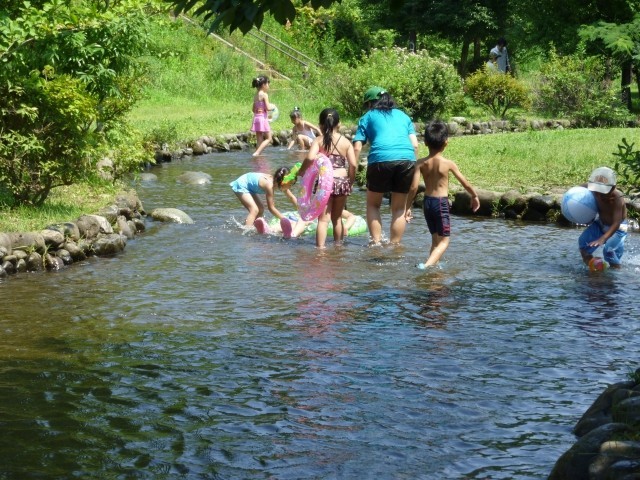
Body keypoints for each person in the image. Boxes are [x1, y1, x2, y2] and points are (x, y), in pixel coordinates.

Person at [407, 120, 480, 269]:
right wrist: (474, 195)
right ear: (446, 142)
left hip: (427, 203)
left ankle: (434, 271)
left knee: (435, 239)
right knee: (445, 241)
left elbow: (413, 187)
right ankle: (426, 266)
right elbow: (464, 182)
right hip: (440, 203)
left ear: (425, 142)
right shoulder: (448, 163)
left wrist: (407, 206)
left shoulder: (420, 163)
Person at [353, 86, 419, 246]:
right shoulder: (403, 116)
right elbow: (415, 145)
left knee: (373, 204)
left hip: (380, 159)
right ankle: (395, 246)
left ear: (370, 103)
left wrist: (352, 172)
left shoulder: (368, 116)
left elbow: (357, 147)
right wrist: (412, 166)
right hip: (407, 160)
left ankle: (376, 244)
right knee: (398, 209)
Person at [295, 108, 357, 248]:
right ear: (339, 124)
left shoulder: (319, 140)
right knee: (337, 218)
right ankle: (338, 248)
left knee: (323, 220)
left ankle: (320, 250)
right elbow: (353, 164)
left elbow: (310, 157)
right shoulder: (346, 142)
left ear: (321, 125)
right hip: (342, 181)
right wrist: (351, 181)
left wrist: (301, 171)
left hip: (325, 184)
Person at [579, 167, 628, 269]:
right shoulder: (592, 188)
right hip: (600, 224)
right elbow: (576, 190)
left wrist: (603, 238)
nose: (599, 196)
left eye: (603, 193)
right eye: (596, 192)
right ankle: (595, 269)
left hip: (618, 229)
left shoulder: (617, 199)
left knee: (608, 252)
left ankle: (616, 274)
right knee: (583, 243)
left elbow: (616, 223)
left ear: (613, 188)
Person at [229, 167, 297, 228]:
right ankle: (247, 230)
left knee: (261, 209)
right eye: (290, 184)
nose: (291, 186)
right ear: (283, 182)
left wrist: (301, 211)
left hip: (250, 186)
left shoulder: (280, 183)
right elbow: (271, 208)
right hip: (242, 184)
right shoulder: (269, 185)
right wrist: (284, 219)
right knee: (254, 210)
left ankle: (257, 226)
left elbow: (291, 197)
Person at [250, 76, 275, 157]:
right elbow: (268, 108)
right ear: (263, 85)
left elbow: (253, 109)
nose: (268, 86)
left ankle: (257, 155)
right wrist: (273, 107)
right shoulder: (264, 95)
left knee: (259, 139)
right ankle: (257, 153)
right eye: (268, 83)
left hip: (256, 118)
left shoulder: (255, 95)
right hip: (262, 119)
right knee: (269, 138)